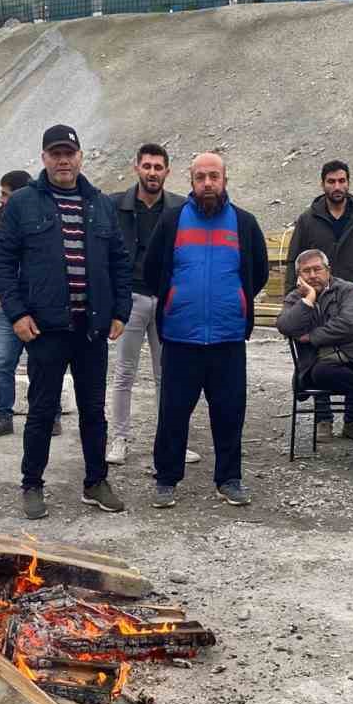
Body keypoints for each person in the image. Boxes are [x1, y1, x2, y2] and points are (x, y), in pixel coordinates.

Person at [0, 124, 131, 520]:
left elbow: (120, 262)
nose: (63, 160)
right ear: (44, 159)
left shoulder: (100, 204)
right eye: (55, 153)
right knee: (41, 410)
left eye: (69, 153)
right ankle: (32, 484)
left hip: (91, 330)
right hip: (45, 330)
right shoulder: (22, 204)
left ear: (80, 156)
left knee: (93, 410)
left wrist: (120, 311)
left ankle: (95, 481)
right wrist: (17, 314)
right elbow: (2, 264)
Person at [142, 151, 270, 509]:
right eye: (201, 177)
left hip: (228, 339)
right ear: (191, 181)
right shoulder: (171, 221)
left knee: (229, 413)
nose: (208, 184)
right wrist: (176, 299)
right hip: (181, 338)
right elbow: (153, 269)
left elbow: (257, 272)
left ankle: (229, 479)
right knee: (173, 413)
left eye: (214, 176)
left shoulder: (244, 223)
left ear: (225, 179)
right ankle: (166, 479)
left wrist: (235, 301)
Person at [105, 144, 197, 465]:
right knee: (124, 374)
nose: (152, 172)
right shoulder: (115, 205)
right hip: (130, 299)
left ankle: (172, 440)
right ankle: (119, 438)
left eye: (158, 167)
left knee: (168, 374)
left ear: (167, 172)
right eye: (147, 166)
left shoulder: (180, 208)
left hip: (167, 302)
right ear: (137, 168)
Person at [284, 160, 353, 442]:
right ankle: (323, 419)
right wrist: (297, 297)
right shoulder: (307, 219)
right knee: (319, 355)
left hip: (350, 300)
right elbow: (294, 260)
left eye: (342, 181)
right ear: (322, 184)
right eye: (331, 181)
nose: (337, 186)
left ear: (348, 182)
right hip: (316, 301)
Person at [275, 249, 353, 471]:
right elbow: (286, 326)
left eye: (317, 269)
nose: (313, 275)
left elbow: (351, 324)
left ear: (328, 270)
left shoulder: (348, 289)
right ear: (299, 275)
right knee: (323, 374)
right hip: (324, 363)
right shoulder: (296, 297)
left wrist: (312, 336)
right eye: (307, 271)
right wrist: (309, 300)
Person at [0, 170, 59, 440]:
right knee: (3, 362)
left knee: (45, 361)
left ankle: (51, 415)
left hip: (39, 305)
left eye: (6, 194)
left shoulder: (42, 216)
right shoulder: (0, 220)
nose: (1, 200)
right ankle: (3, 416)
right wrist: (3, 295)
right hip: (8, 305)